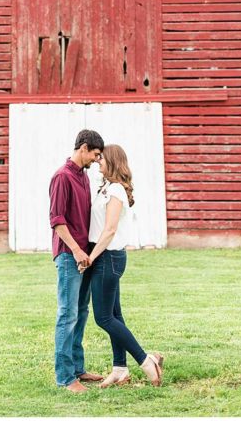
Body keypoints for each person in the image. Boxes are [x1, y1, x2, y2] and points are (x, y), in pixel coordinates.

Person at [84, 144, 164, 387]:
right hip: (106, 257)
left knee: (104, 318)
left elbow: (109, 230)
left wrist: (91, 257)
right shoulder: (107, 187)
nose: (98, 162)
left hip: (107, 257)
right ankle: (120, 369)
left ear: (113, 161)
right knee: (115, 315)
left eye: (102, 159)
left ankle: (146, 360)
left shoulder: (117, 190)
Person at [50, 129, 106, 392]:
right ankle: (64, 377)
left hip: (85, 256)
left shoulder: (83, 177)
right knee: (67, 314)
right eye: (95, 154)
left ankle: (78, 369)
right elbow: (57, 221)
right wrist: (75, 251)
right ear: (83, 148)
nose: (97, 160)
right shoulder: (61, 177)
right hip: (69, 255)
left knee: (81, 313)